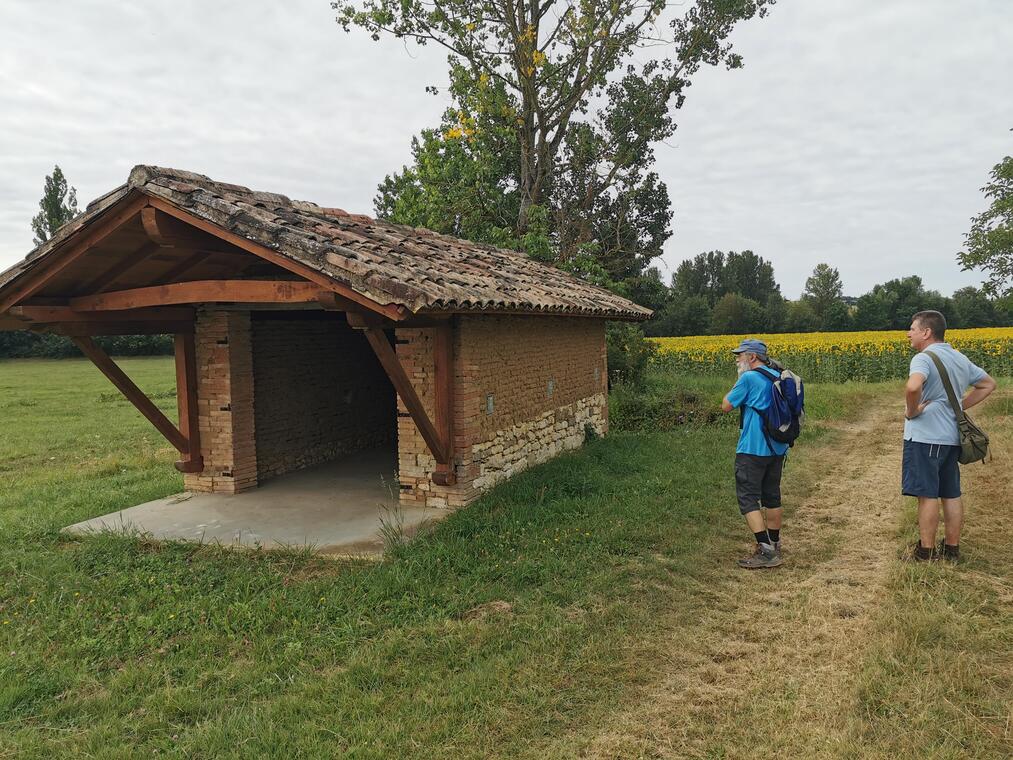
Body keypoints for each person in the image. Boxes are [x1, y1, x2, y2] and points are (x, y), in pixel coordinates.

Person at [903, 310, 996, 561]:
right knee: (951, 493)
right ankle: (952, 550)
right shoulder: (958, 357)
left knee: (927, 494)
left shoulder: (923, 358)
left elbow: (913, 386)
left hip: (925, 437)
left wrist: (912, 411)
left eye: (912, 328)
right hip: (952, 438)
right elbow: (988, 384)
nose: (909, 333)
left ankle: (926, 552)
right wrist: (959, 406)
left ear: (926, 332)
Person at [720, 338, 790, 569]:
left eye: (740, 355)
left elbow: (726, 405)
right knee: (772, 496)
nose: (737, 360)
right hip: (777, 448)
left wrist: (739, 380)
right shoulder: (777, 375)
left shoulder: (749, 378)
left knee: (749, 498)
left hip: (752, 448)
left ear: (752, 357)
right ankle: (775, 543)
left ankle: (766, 551)